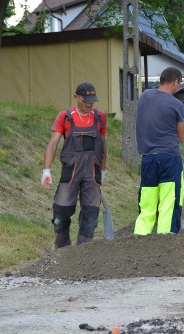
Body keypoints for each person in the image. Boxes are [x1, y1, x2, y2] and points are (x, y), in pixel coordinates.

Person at [41, 82, 107, 248]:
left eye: (92, 99)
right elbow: (53, 144)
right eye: (85, 99)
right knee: (61, 210)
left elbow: (103, 145)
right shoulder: (65, 117)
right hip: (71, 171)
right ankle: (62, 249)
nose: (89, 103)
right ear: (76, 97)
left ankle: (84, 251)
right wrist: (46, 170)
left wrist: (103, 170)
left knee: (91, 212)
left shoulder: (99, 117)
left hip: (92, 171)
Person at [133, 67, 184, 235]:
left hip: (148, 158)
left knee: (147, 201)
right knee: (169, 202)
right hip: (170, 158)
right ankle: (166, 239)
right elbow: (181, 136)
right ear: (175, 82)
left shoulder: (145, 96)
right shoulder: (177, 104)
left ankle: (141, 237)